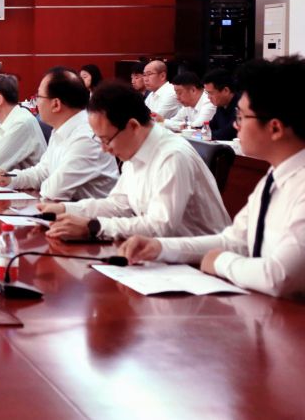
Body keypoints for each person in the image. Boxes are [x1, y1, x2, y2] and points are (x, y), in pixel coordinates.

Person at [119, 56, 305, 298]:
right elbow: (232, 241)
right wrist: (160, 247)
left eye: (241, 117)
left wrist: (219, 262)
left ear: (275, 128)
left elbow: (279, 276)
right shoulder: (273, 178)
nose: (236, 126)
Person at [39, 81, 230, 241]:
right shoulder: (134, 148)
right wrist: (64, 209)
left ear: (133, 126)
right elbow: (119, 205)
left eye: (106, 139)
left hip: (200, 263)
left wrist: (93, 227)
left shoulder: (172, 156)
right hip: (159, 254)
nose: (104, 148)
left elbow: (159, 226)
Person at [0, 68, 117, 201]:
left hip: (89, 213)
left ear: (56, 104)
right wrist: (10, 179)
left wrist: (40, 181)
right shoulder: (60, 129)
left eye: (39, 97)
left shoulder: (86, 137)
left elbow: (54, 191)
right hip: (65, 209)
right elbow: (42, 172)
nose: (36, 102)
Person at [202, 68, 241, 142]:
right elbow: (210, 127)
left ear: (226, 91)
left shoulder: (241, 107)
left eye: (211, 93)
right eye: (207, 93)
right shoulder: (221, 106)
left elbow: (226, 134)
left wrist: (205, 134)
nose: (208, 97)